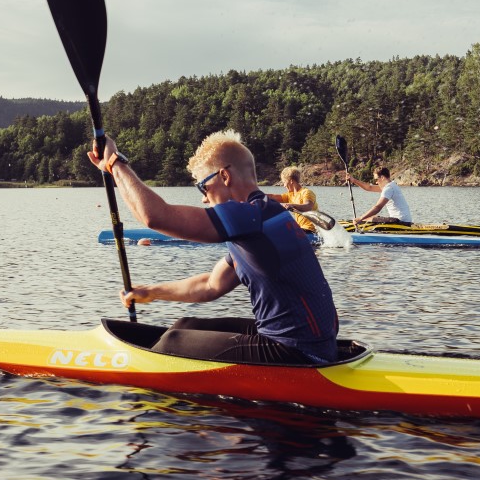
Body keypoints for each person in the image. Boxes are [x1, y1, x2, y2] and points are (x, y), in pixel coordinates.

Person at [88, 129, 340, 365]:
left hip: (298, 352)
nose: (204, 197)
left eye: (203, 186)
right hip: (312, 341)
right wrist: (152, 292)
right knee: (184, 326)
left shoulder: (249, 216)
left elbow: (155, 217)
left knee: (173, 342)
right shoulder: (265, 213)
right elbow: (211, 285)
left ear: (224, 176)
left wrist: (115, 163)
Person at [340, 164, 412, 226]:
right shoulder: (392, 185)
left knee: (369, 218)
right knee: (372, 217)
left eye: (376, 179)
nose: (376, 182)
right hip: (404, 220)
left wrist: (360, 218)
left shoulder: (389, 188)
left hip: (401, 222)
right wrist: (354, 180)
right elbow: (369, 187)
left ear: (382, 177)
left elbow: (378, 207)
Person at [274, 165, 321, 230]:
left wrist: (292, 205)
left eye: (284, 182)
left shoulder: (306, 192)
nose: (284, 186)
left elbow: (308, 207)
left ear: (291, 181)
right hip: (302, 229)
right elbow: (273, 197)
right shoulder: (290, 195)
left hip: (311, 230)